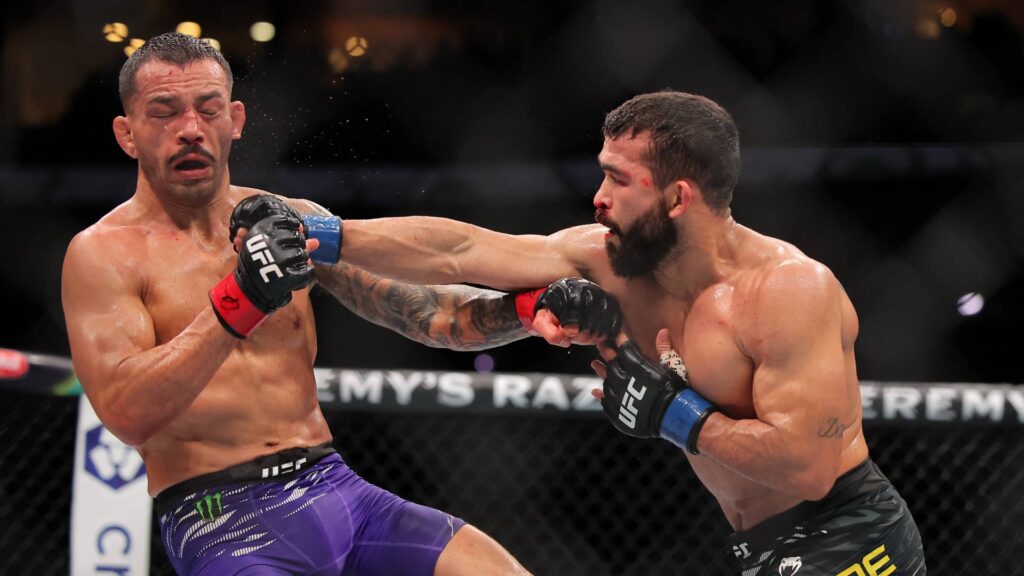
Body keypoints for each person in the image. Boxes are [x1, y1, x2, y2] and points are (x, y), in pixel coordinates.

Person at [60, 31, 610, 576]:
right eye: (164, 113)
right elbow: (128, 412)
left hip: (338, 492)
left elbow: (438, 317)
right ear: (127, 134)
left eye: (207, 110)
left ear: (236, 120)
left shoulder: (286, 221)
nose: (189, 130)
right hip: (219, 518)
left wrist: (529, 310)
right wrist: (242, 299)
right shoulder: (103, 255)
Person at [315, 90, 928, 574]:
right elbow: (463, 250)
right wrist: (325, 233)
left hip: (849, 533)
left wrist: (673, 414)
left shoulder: (788, 291)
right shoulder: (608, 259)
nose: (598, 197)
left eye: (618, 179)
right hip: (753, 542)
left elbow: (809, 469)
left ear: (678, 198)